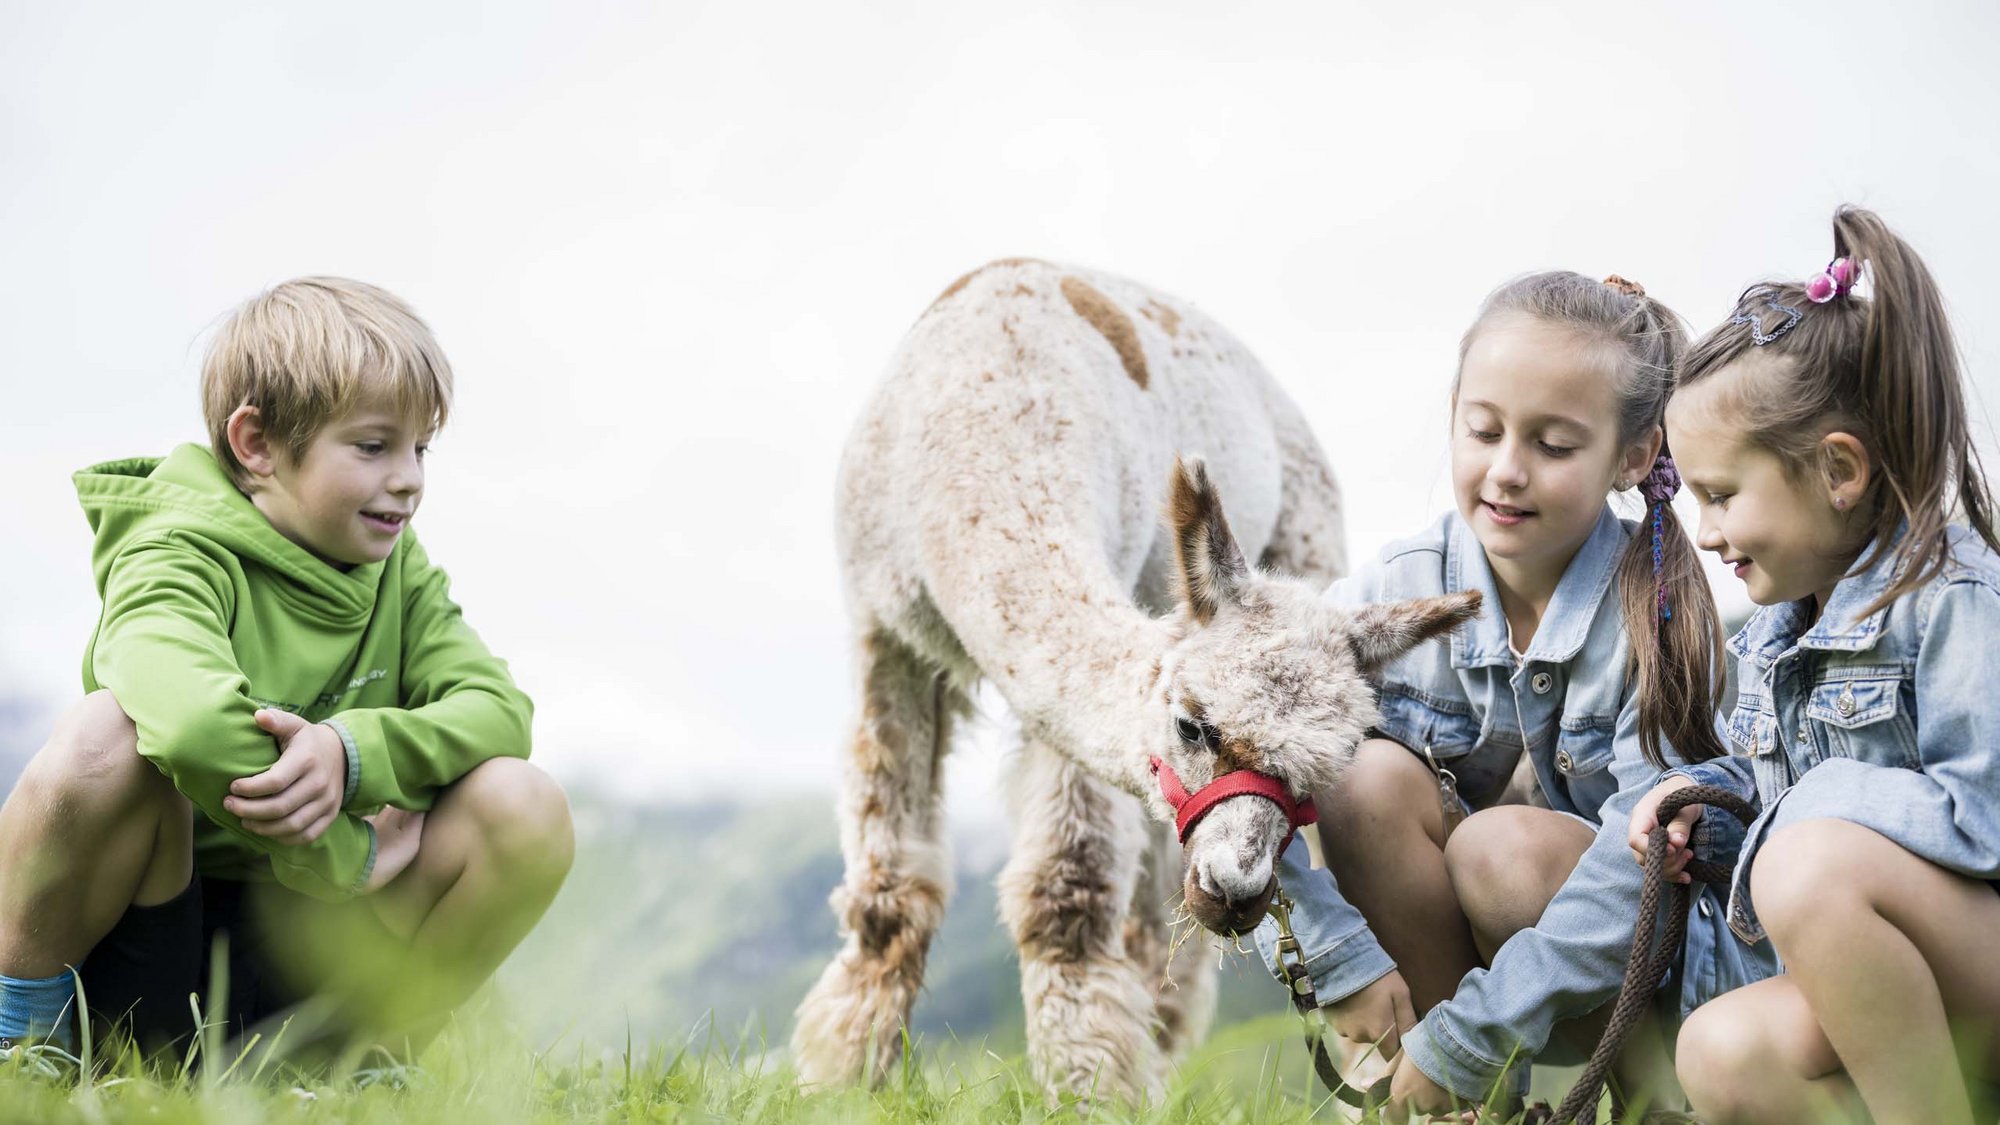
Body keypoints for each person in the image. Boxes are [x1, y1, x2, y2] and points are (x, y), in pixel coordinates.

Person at [0, 277, 573, 1068]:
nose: (408, 477)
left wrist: (353, 749)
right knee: (104, 733)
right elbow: (195, 727)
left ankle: (366, 1067)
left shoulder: (396, 570)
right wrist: (352, 855)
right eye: (373, 446)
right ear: (257, 444)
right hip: (153, 941)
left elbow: (498, 710)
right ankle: (26, 1043)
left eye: (419, 447)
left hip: (319, 949)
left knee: (524, 802)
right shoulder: (170, 549)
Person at [1254, 270, 1775, 1115]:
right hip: (1486, 971)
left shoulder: (1661, 612)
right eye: (1483, 429)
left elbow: (1634, 872)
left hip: (1660, 964)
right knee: (1362, 780)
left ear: (1634, 455)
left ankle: (1655, 1098)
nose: (1507, 471)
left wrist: (1476, 1028)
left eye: (1554, 445)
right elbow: (1236, 741)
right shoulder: (1399, 587)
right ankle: (1462, 1107)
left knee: (1497, 851)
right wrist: (1334, 950)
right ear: (1455, 409)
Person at [1632, 207, 2000, 1124]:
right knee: (1718, 1051)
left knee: (1806, 866)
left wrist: (1801, 822)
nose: (1706, 532)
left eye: (1721, 495)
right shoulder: (1769, 636)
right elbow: (1773, 792)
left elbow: (1983, 821)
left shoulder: (1955, 600)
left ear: (1839, 470)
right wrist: (1697, 811)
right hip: (1903, 983)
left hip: (1978, 954)